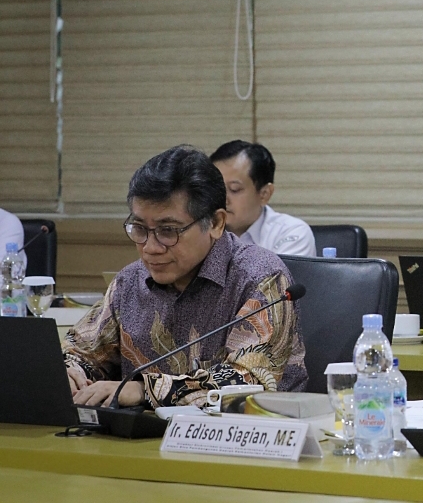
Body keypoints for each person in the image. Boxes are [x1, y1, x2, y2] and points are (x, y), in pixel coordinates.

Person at [64, 146, 307, 408]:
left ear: (216, 223)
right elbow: (81, 351)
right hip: (137, 431)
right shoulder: (130, 281)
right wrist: (71, 371)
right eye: (140, 228)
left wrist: (145, 390)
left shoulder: (261, 278)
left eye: (168, 231)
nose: (150, 248)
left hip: (244, 431)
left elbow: (247, 383)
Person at [210, 140, 316, 257]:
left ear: (264, 194)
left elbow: (279, 270)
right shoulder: (201, 229)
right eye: (216, 187)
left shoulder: (291, 232)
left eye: (235, 189)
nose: (223, 199)